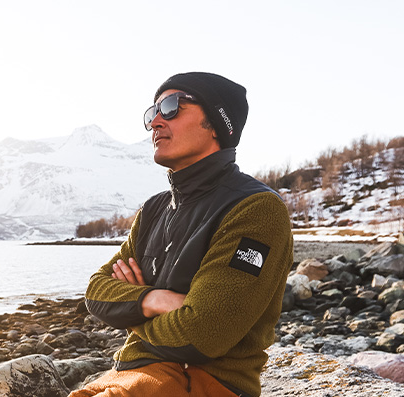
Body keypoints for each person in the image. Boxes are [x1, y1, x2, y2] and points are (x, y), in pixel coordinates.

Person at [69, 72, 293, 397]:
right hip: (131, 373)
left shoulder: (255, 208)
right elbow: (96, 293)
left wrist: (130, 307)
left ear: (216, 124)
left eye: (172, 107)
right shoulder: (154, 210)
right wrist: (153, 299)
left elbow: (203, 334)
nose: (155, 122)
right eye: (152, 113)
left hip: (201, 382)